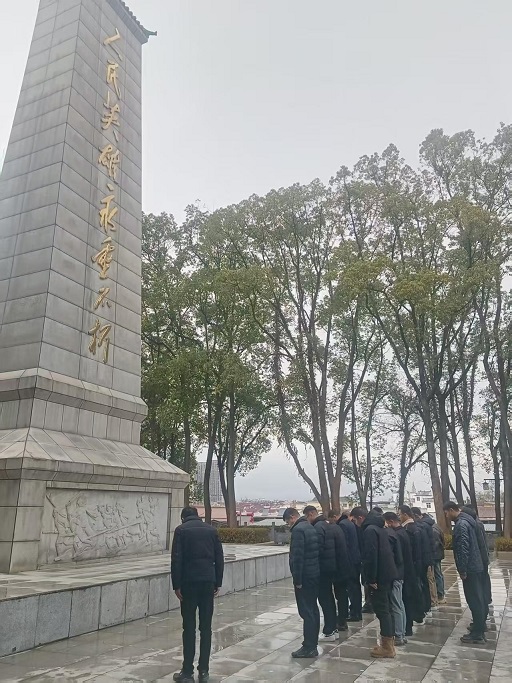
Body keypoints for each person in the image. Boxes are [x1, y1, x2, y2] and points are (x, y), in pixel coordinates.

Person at [171, 507, 224, 683]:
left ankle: (187, 672)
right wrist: (218, 582)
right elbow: (219, 557)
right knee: (206, 628)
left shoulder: (181, 530)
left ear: (183, 518)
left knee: (189, 628)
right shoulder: (211, 530)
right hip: (207, 582)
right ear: (197, 515)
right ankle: (204, 671)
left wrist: (176, 585)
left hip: (188, 583)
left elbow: (176, 559)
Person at [351, 507, 397, 658]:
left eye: (355, 520)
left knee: (383, 610)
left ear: (360, 517)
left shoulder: (370, 530)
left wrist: (371, 579)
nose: (355, 523)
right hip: (387, 573)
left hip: (379, 576)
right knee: (387, 609)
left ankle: (387, 647)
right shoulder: (379, 527)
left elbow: (371, 556)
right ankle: (389, 644)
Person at [303, 506, 351, 639]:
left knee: (325, 598)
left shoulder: (318, 528)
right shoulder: (332, 526)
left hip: (325, 569)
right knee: (336, 596)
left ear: (311, 514)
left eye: (306, 516)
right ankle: (338, 623)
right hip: (337, 567)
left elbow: (318, 550)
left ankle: (330, 629)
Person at [444, 501, 486, 644]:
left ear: (451, 510)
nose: (446, 516)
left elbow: (463, 549)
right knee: (477, 599)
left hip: (470, 568)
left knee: (474, 600)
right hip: (476, 565)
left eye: (446, 513)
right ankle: (479, 629)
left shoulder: (461, 525)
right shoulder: (468, 521)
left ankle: (478, 633)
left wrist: (462, 570)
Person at [283, 507, 320, 658]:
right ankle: (313, 644)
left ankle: (309, 646)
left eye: (288, 521)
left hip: (304, 577)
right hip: (314, 574)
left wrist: (297, 580)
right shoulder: (310, 527)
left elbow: (297, 557)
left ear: (292, 517)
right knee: (313, 609)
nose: (288, 525)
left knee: (307, 611)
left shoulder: (298, 530)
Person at [398, 505, 425, 633]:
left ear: (405, 514)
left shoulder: (409, 529)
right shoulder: (416, 527)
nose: (399, 517)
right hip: (415, 565)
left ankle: (410, 623)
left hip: (410, 567)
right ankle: (418, 614)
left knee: (408, 596)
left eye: (399, 514)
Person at [383, 512, 407, 646]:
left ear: (390, 521)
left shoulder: (394, 535)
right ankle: (402, 632)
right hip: (401, 573)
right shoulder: (402, 533)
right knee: (400, 604)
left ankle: (398, 634)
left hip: (396, 574)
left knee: (396, 605)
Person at [462, 505, 492, 614]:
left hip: (480, 560)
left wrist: (483, 560)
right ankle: (485, 605)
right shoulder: (476, 523)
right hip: (481, 559)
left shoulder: (476, 524)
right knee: (482, 584)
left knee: (481, 586)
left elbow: (481, 544)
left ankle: (484, 607)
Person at [337, 510, 363, 621]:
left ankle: (354, 613)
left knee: (352, 588)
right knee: (355, 587)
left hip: (349, 561)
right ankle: (357, 612)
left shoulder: (343, 525)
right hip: (356, 559)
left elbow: (344, 544)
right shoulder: (352, 524)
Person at [411, 507, 434, 614]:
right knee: (425, 582)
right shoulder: (426, 526)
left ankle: (422, 606)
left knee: (421, 583)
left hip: (420, 559)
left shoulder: (418, 528)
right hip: (426, 558)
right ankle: (427, 605)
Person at [431, 515, 446, 604]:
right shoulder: (436, 527)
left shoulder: (433, 530)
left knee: (437, 574)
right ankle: (440, 594)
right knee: (438, 574)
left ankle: (440, 595)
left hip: (436, 555)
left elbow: (435, 544)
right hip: (438, 554)